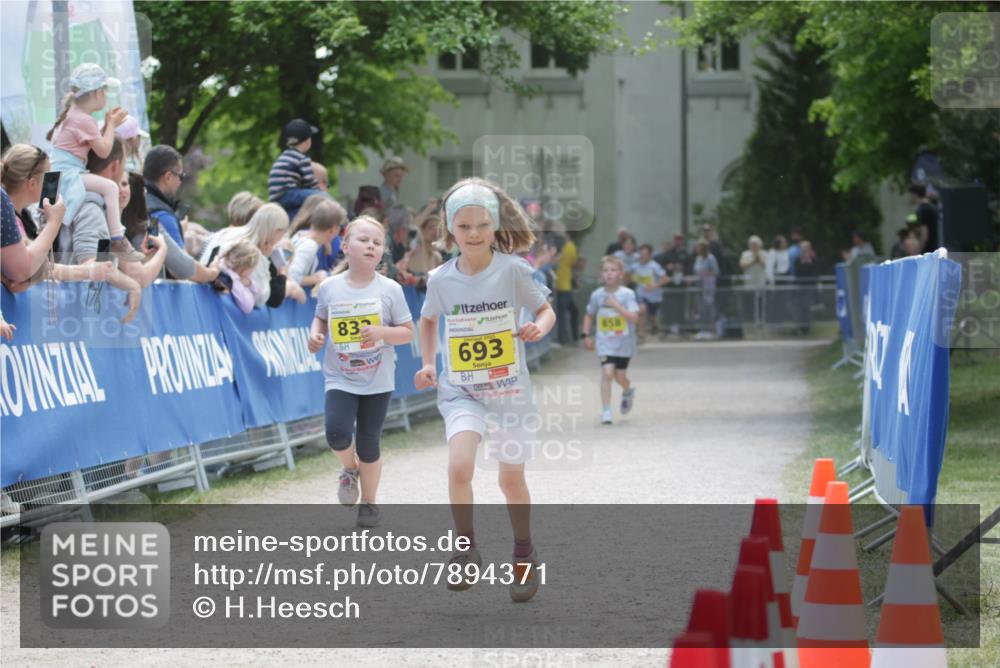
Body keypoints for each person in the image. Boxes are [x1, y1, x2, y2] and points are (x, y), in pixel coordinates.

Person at [413, 177, 555, 603]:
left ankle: (524, 553)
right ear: (449, 230)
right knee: (459, 466)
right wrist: (426, 363)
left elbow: (545, 310)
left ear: (494, 225)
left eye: (480, 225)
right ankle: (465, 549)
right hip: (462, 390)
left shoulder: (513, 269)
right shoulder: (440, 278)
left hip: (509, 390)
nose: (473, 234)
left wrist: (536, 327)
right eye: (463, 226)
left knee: (511, 480)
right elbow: (427, 320)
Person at [308, 215, 415, 527]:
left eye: (377, 242)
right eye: (363, 240)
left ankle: (368, 503)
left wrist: (382, 332)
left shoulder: (391, 290)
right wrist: (316, 335)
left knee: (369, 443)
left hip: (378, 376)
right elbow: (321, 318)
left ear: (383, 252)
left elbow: (407, 332)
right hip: (340, 374)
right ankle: (349, 468)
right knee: (337, 433)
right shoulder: (329, 287)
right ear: (345, 246)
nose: (371, 246)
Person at [46, 63, 144, 262]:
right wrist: (113, 125)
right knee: (110, 187)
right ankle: (117, 238)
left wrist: (108, 125)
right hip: (68, 174)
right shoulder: (84, 119)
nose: (106, 97)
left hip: (55, 176)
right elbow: (104, 150)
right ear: (97, 93)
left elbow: (97, 145)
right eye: (105, 92)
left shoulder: (72, 115)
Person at [582, 255, 640, 425]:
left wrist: (617, 306)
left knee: (620, 376)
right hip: (605, 343)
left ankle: (627, 390)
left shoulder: (628, 294)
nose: (609, 274)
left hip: (624, 344)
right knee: (607, 373)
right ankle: (606, 411)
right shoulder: (597, 295)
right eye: (606, 270)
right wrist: (585, 335)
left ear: (621, 274)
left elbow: (634, 319)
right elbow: (589, 315)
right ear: (602, 274)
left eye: (613, 270)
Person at [267, 119, 327, 216]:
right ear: (307, 142)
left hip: (276, 197)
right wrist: (319, 190)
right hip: (288, 194)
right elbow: (309, 182)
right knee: (322, 196)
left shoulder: (284, 156)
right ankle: (341, 223)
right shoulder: (302, 158)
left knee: (295, 211)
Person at [287, 197, 346, 289]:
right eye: (339, 226)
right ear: (334, 229)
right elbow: (292, 277)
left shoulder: (301, 235)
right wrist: (315, 278)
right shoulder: (310, 246)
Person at [143, 144, 188, 249]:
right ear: (168, 177)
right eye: (181, 176)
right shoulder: (162, 215)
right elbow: (182, 263)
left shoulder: (135, 201)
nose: (180, 182)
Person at [403, 199, 444, 291]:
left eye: (438, 229)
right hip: (411, 296)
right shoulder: (417, 248)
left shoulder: (437, 256)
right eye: (431, 228)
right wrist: (430, 208)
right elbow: (413, 227)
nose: (435, 232)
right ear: (422, 230)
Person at [656, 234, 690, 336]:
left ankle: (682, 328)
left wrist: (682, 268)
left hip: (680, 284)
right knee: (668, 307)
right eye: (676, 239)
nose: (678, 242)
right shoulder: (668, 253)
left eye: (680, 240)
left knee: (681, 307)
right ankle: (666, 328)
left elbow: (689, 266)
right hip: (669, 285)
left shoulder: (685, 254)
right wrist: (668, 267)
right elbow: (661, 266)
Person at [632, 243, 667, 340]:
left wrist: (654, 286)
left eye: (645, 253)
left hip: (654, 296)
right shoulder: (635, 266)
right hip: (641, 294)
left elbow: (665, 279)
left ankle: (655, 326)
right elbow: (629, 276)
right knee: (641, 310)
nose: (642, 256)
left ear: (650, 255)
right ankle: (641, 333)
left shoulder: (654, 266)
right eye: (641, 253)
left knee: (653, 316)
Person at [217, 240, 262, 314]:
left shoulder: (220, 265)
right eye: (252, 270)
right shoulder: (233, 281)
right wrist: (248, 284)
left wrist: (249, 283)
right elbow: (248, 307)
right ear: (244, 271)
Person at [554, 227, 579, 345]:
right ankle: (571, 337)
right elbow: (573, 264)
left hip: (561, 284)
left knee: (563, 313)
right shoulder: (571, 247)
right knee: (570, 312)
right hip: (565, 284)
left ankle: (564, 338)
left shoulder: (563, 247)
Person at [693, 240, 720, 340]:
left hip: (708, 284)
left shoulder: (711, 258)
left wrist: (706, 273)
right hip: (699, 284)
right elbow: (695, 270)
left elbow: (716, 271)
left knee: (709, 307)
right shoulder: (698, 259)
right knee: (701, 308)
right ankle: (702, 329)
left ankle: (710, 329)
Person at [909, 183, 940, 253]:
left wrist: (917, 252)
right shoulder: (932, 207)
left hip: (927, 252)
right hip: (935, 249)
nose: (910, 197)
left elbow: (924, 234)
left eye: (911, 195)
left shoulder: (922, 210)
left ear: (915, 194)